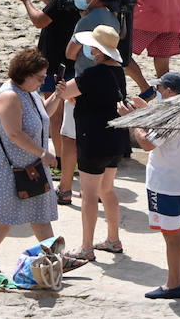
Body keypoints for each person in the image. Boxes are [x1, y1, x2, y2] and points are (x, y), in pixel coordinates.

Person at [8, 0, 84, 204]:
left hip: (55, 64)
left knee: (54, 115)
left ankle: (60, 162)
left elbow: (40, 20)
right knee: (68, 116)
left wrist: (26, 0)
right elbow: (60, 11)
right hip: (73, 62)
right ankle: (69, 163)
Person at [0, 48, 60, 272]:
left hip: (30, 166)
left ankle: (53, 262)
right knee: (4, 219)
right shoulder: (10, 96)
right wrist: (44, 153)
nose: (43, 82)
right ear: (25, 73)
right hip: (9, 167)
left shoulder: (29, 91)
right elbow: (14, 133)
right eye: (40, 77)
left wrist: (59, 96)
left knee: (40, 216)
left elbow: (43, 115)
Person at [123, 71, 180, 299]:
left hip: (166, 186)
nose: (156, 92)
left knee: (171, 236)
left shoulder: (169, 116)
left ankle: (172, 284)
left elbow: (148, 143)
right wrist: (146, 113)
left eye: (158, 90)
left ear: (169, 91)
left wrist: (136, 120)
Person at [59, 25, 130, 263]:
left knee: (88, 195)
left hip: (94, 141)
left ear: (97, 50)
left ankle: (86, 247)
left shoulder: (91, 74)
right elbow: (99, 100)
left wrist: (68, 94)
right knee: (106, 190)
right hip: (115, 140)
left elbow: (65, 93)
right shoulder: (118, 72)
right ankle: (113, 239)